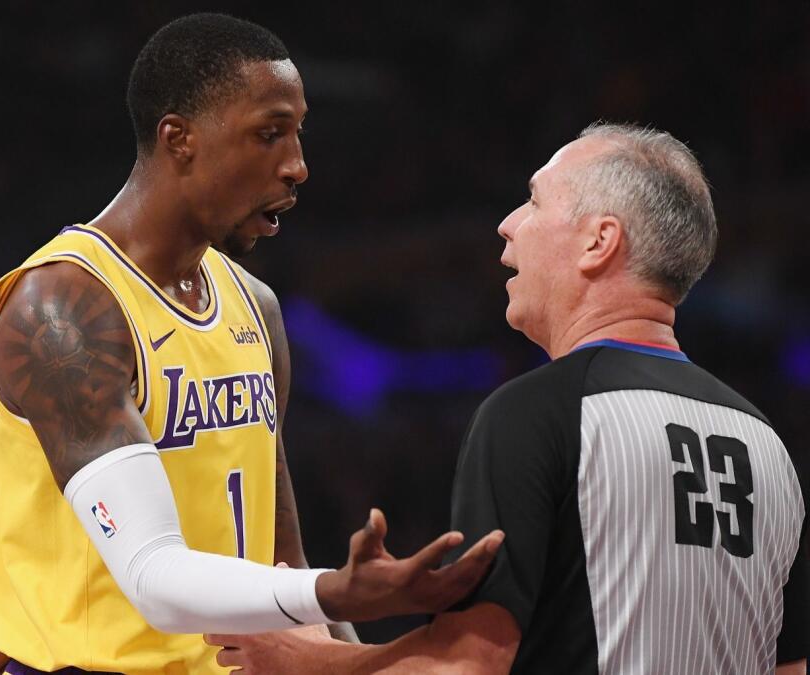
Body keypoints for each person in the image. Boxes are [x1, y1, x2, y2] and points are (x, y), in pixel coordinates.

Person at [0, 13, 503, 675]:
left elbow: (277, 556)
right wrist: (333, 590)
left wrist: (346, 646)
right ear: (180, 140)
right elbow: (151, 574)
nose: (298, 167)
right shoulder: (65, 309)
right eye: (269, 134)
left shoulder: (255, 307)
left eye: (297, 134)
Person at [207, 123, 809, 674]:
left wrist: (310, 660)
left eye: (535, 201)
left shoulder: (536, 415)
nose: (508, 223)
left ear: (600, 242)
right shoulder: (768, 445)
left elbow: (468, 666)